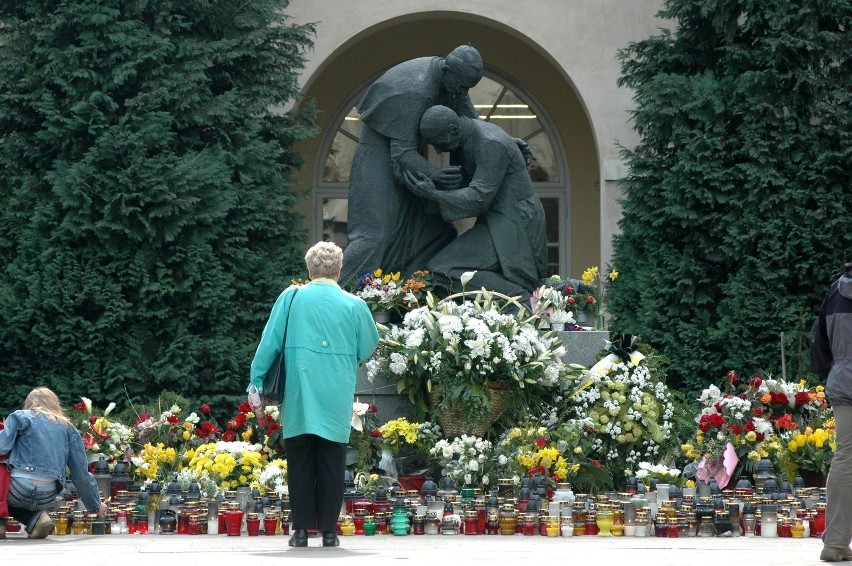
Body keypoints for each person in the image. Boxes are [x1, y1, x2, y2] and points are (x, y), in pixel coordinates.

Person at [248, 241, 379, 548]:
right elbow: (367, 346)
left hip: (298, 391)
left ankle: (302, 531)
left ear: (309, 269)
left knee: (301, 460)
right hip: (336, 391)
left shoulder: (291, 298)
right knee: (333, 461)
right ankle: (331, 532)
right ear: (339, 269)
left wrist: (255, 381)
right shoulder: (354, 305)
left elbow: (270, 343)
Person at [340, 45, 485, 287]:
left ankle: (403, 299)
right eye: (461, 86)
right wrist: (436, 174)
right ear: (447, 71)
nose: (462, 93)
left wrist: (507, 142)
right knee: (373, 237)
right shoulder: (415, 90)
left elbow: (472, 122)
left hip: (406, 161)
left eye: (467, 88)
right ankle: (336, 301)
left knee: (437, 234)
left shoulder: (453, 80)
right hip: (380, 157)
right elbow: (402, 153)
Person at [403, 104, 547, 302]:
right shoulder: (462, 140)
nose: (437, 149)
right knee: (441, 270)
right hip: (496, 220)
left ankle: (520, 301)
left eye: (438, 142)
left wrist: (433, 194)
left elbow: (478, 199)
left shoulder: (490, 143)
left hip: (514, 221)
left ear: (453, 130)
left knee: (442, 270)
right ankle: (510, 304)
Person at [0, 387, 108, 539]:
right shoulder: (68, 428)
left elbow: (1, 447)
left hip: (18, 490)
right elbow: (81, 474)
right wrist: (95, 505)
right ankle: (36, 520)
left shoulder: (20, 417)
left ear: (29, 403)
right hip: (48, 496)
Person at [812, 262, 852, 562]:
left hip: (843, 384)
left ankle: (836, 543)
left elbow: (819, 344)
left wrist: (835, 371)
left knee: (845, 458)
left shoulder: (836, 292)